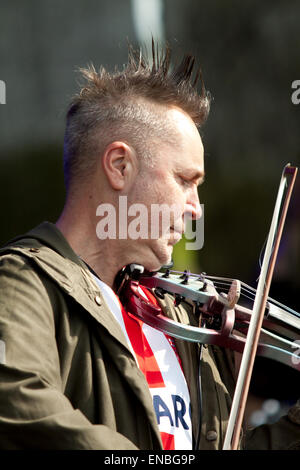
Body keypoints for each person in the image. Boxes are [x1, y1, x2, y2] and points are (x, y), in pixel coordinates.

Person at [0, 42, 299, 451]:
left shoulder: (175, 312)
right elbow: (16, 399)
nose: (195, 208)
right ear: (120, 166)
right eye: (185, 180)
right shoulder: (25, 281)